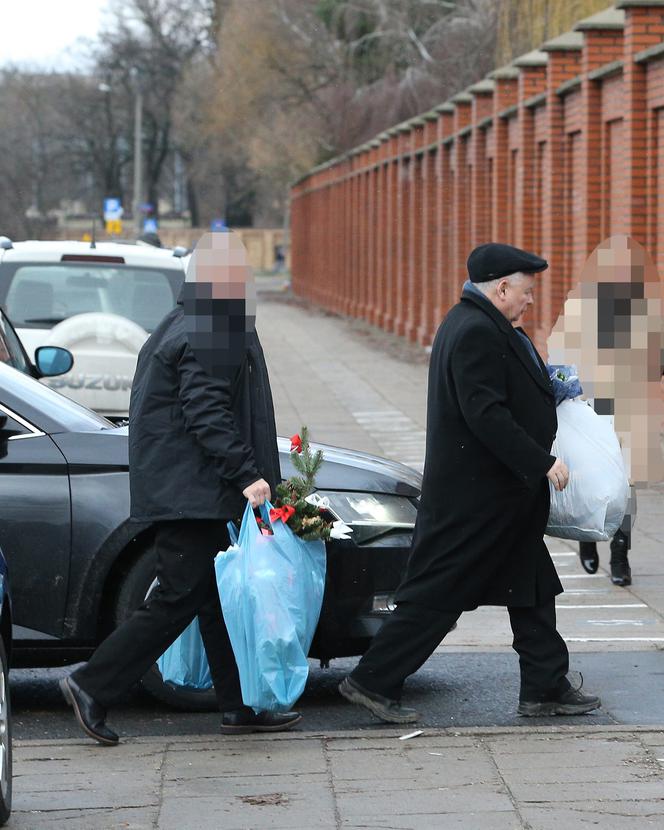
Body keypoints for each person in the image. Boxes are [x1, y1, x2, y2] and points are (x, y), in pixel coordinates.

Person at [339, 242, 601, 724]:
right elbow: (485, 413)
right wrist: (541, 461)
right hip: (477, 499)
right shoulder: (476, 330)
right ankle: (372, 680)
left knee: (533, 587)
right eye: (526, 290)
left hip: (501, 497)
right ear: (501, 287)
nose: (530, 300)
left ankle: (545, 687)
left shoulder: (484, 324)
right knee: (439, 592)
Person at [60, 231, 301, 745]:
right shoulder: (214, 323)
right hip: (192, 490)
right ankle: (90, 684)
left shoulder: (187, 318)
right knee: (177, 597)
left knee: (211, 599)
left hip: (186, 486)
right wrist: (248, 475)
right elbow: (206, 411)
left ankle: (238, 707)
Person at [547, 235, 664, 587]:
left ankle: (620, 555)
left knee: (625, 487)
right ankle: (587, 536)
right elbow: (560, 362)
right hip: (590, 412)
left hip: (632, 412)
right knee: (592, 477)